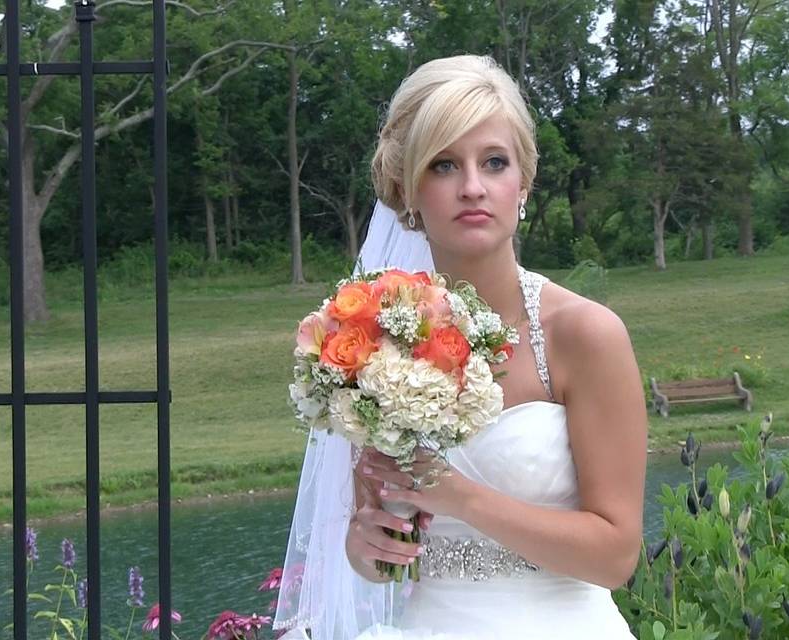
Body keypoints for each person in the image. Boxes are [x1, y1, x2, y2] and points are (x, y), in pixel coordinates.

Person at [274, 55, 647, 640]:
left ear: (522, 182)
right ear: (407, 191)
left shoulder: (583, 334)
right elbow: (377, 550)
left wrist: (461, 497)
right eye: (444, 165)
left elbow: (616, 557)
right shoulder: (372, 340)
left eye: (494, 162)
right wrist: (366, 544)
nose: (472, 186)